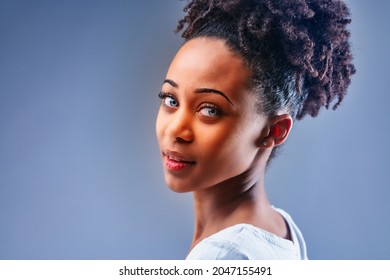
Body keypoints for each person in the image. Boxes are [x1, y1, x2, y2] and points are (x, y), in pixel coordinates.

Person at [155, 0, 355, 260]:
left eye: (210, 110)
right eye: (171, 100)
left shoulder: (222, 256)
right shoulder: (282, 229)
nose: (176, 130)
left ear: (274, 131)